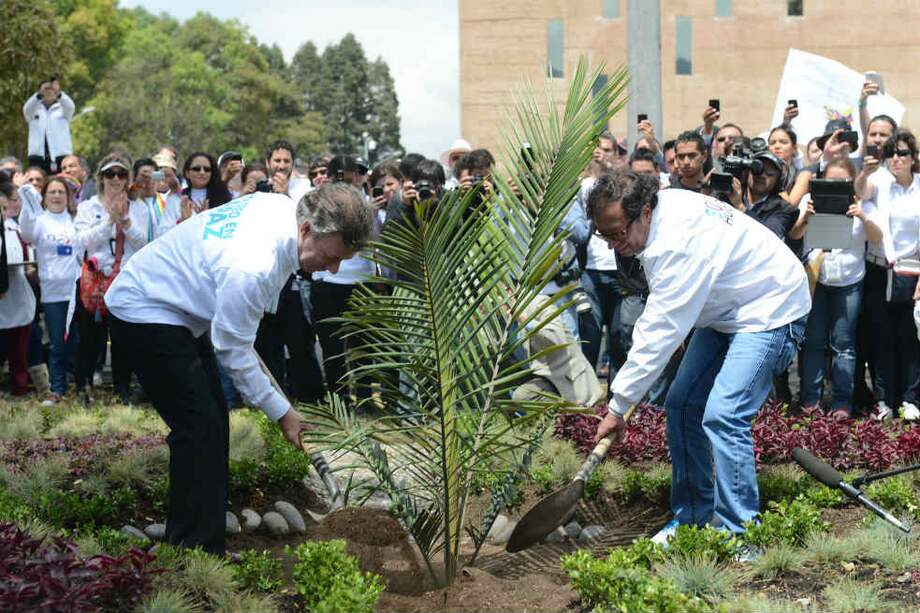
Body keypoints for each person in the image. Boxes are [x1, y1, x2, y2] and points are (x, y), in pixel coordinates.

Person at [104, 183, 374, 555]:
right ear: (308, 229)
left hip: (185, 310)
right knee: (198, 427)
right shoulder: (253, 264)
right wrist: (283, 413)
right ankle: (192, 551)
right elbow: (232, 349)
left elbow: (236, 339)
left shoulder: (281, 207)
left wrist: (282, 407)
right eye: (330, 257)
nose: (332, 268)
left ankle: (203, 537)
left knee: (214, 422)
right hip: (145, 308)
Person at [588, 171, 809, 541]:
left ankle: (741, 534)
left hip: (772, 307)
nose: (613, 244)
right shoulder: (662, 209)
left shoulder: (676, 242)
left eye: (618, 232)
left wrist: (618, 407)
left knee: (725, 413)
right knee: (682, 404)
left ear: (644, 211)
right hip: (726, 310)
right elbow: (664, 318)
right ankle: (692, 517)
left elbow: (658, 330)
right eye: (604, 235)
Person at [790, 160, 881, 418]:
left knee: (844, 345)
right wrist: (807, 216)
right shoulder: (809, 200)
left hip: (849, 282)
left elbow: (877, 239)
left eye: (842, 183)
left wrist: (862, 215)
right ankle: (810, 401)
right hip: (818, 280)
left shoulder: (863, 204)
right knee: (814, 344)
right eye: (830, 182)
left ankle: (842, 403)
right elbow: (795, 235)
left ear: (851, 183)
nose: (836, 187)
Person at [73, 153, 148, 404]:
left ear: (128, 179)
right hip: (94, 281)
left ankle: (122, 391)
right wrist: (108, 221)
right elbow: (83, 241)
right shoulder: (88, 207)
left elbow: (145, 243)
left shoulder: (139, 208)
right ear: (101, 178)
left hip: (126, 281)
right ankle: (83, 388)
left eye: (121, 174)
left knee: (122, 339)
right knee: (89, 339)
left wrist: (125, 221)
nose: (115, 179)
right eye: (110, 174)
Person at [856, 129, 920, 421]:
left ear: (913, 157)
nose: (896, 158)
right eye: (891, 153)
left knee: (909, 338)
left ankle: (910, 400)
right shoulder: (881, 183)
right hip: (881, 270)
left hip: (912, 271)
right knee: (882, 338)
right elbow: (860, 192)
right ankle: (885, 400)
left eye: (903, 153)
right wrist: (865, 171)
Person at [19, 177, 81, 404]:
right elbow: (26, 234)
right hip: (53, 292)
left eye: (61, 192)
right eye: (52, 192)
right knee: (58, 342)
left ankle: (81, 385)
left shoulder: (75, 220)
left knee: (76, 340)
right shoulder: (40, 221)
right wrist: (27, 202)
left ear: (68, 196)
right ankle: (57, 389)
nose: (56, 196)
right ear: (44, 197)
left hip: (76, 291)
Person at [0, 176, 36, 395]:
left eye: (5, 207)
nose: (4, 211)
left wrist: (31, 269)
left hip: (17, 297)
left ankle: (20, 389)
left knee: (19, 350)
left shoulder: (17, 230)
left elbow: (28, 258)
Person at [22, 76, 74, 174]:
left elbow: (70, 106)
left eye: (52, 89)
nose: (49, 92)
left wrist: (59, 92)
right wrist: (39, 95)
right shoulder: (34, 109)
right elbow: (26, 109)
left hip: (61, 156)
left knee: (62, 185)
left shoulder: (63, 108)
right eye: (46, 89)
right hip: (37, 157)